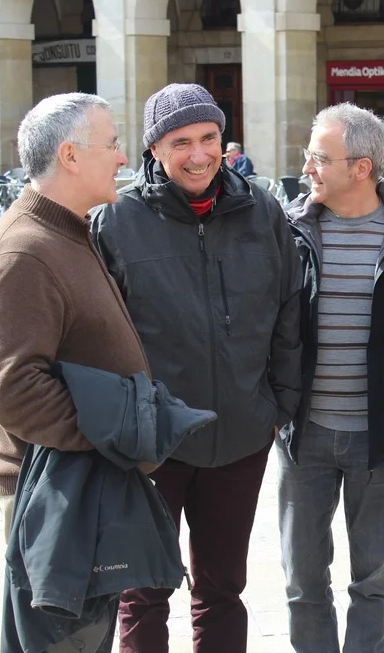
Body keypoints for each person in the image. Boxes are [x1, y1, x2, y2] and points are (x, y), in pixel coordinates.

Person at [89, 83, 303, 653]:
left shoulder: (262, 210)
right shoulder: (117, 220)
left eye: (209, 137)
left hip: (241, 436)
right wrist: (126, 424)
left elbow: (289, 309)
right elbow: (97, 336)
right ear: (154, 149)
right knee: (143, 589)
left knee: (222, 589)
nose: (199, 154)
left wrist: (277, 405)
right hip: (153, 444)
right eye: (180, 142)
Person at [0, 92, 149, 650]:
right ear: (70, 156)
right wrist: (117, 432)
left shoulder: (68, 230)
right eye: (112, 144)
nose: (123, 158)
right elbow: (18, 393)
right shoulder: (26, 251)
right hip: (53, 492)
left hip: (78, 484)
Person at [280, 102, 384, 653]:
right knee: (302, 581)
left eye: (319, 157)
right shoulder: (290, 232)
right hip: (304, 437)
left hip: (380, 440)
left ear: (362, 168)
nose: (306, 168)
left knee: (374, 582)